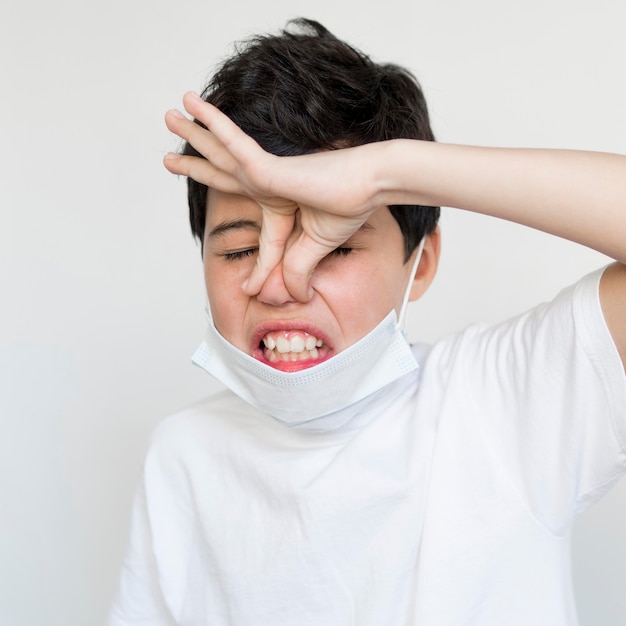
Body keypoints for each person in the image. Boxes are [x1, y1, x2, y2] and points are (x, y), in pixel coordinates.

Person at [109, 18, 626, 626]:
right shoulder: (182, 456)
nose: (278, 283)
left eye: (333, 247)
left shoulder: (503, 407)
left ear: (421, 262)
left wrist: (383, 173)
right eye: (240, 251)